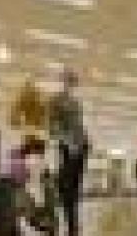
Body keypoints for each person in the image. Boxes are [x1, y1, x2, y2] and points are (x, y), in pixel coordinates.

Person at [49, 68, 90, 236]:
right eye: (68, 80)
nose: (71, 84)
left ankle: (73, 225)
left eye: (73, 81)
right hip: (68, 146)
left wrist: (83, 141)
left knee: (74, 187)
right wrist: (68, 142)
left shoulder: (76, 103)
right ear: (62, 81)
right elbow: (53, 126)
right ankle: (70, 223)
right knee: (65, 185)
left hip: (81, 145)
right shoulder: (55, 100)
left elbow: (78, 125)